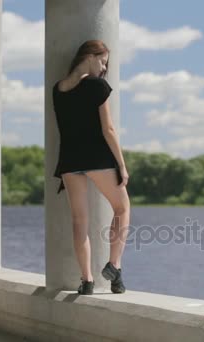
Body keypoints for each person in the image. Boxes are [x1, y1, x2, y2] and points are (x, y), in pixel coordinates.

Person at [52, 39, 130, 295]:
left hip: (70, 160)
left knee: (79, 221)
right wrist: (121, 163)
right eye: (103, 61)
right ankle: (114, 266)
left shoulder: (58, 89)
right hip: (97, 158)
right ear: (90, 56)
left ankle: (86, 281)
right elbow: (108, 129)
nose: (104, 68)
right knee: (122, 207)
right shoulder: (96, 86)